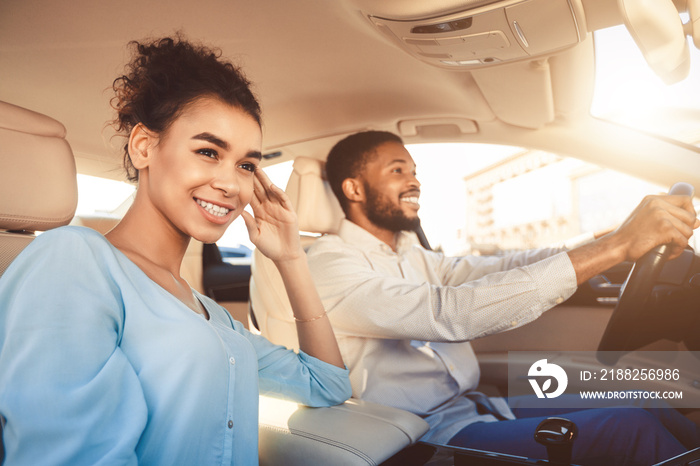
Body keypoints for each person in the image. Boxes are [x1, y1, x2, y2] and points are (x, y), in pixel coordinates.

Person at [0, 36, 350, 465]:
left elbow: (327, 384)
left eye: (246, 165)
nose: (230, 184)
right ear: (144, 147)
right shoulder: (72, 260)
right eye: (208, 151)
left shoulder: (210, 314)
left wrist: (291, 258)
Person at [306, 130, 700, 465]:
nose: (414, 182)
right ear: (353, 188)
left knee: (640, 400)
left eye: (414, 171)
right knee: (628, 429)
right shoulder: (329, 265)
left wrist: (611, 237)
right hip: (423, 438)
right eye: (397, 171)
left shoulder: (411, 252)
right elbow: (447, 314)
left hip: (477, 406)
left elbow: (499, 267)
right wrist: (616, 248)